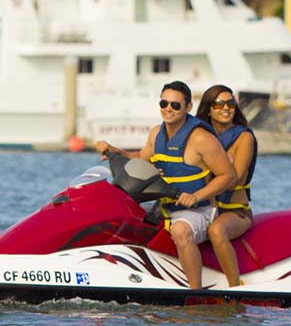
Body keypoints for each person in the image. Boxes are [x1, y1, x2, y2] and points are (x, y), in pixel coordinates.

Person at [96, 80, 236, 289]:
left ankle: (194, 293)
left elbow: (228, 176)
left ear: (188, 107)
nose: (168, 109)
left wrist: (196, 196)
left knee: (180, 231)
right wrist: (115, 151)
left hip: (200, 209)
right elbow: (142, 159)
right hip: (163, 206)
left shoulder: (201, 139)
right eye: (164, 104)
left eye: (175, 105)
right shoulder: (155, 134)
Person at [196, 84, 258, 287]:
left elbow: (236, 178)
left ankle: (235, 286)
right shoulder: (200, 136)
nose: (226, 108)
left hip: (235, 211)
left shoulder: (244, 137)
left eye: (230, 103)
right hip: (203, 207)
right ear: (208, 109)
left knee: (216, 231)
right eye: (219, 104)